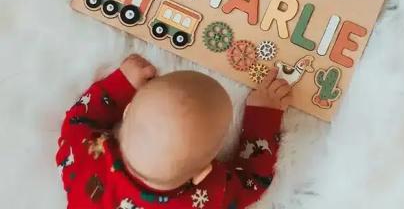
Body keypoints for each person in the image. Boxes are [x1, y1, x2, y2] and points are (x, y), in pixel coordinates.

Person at [56, 53, 292, 208]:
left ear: (127, 112)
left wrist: (121, 85)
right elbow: (253, 181)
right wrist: (264, 115)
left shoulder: (86, 156)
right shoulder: (209, 196)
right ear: (203, 173)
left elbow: (77, 120)